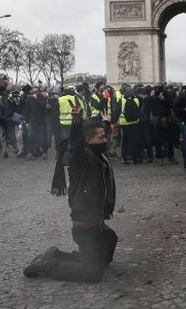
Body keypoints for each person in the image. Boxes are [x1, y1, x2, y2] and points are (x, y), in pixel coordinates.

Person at [23, 101, 117, 283]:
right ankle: (47, 265)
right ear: (87, 141)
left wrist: (105, 123)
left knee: (108, 248)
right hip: (85, 226)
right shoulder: (81, 158)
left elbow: (99, 134)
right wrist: (76, 122)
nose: (105, 140)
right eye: (101, 138)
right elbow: (76, 144)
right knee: (92, 274)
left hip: (97, 223)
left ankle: (57, 254)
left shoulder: (98, 153)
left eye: (105, 137)